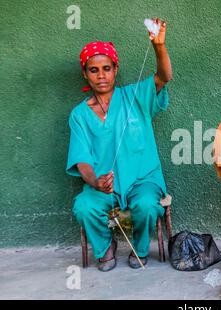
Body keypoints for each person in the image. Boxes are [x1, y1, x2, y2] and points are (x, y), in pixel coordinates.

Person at [66, 18, 173, 271]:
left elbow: (164, 76)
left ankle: (140, 248)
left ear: (115, 69)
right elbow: (81, 159)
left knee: (147, 205)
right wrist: (96, 182)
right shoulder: (79, 115)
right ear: (85, 73)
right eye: (94, 70)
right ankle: (105, 249)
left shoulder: (134, 96)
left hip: (142, 179)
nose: (101, 75)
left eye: (107, 68)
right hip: (105, 185)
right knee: (84, 206)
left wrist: (159, 46)